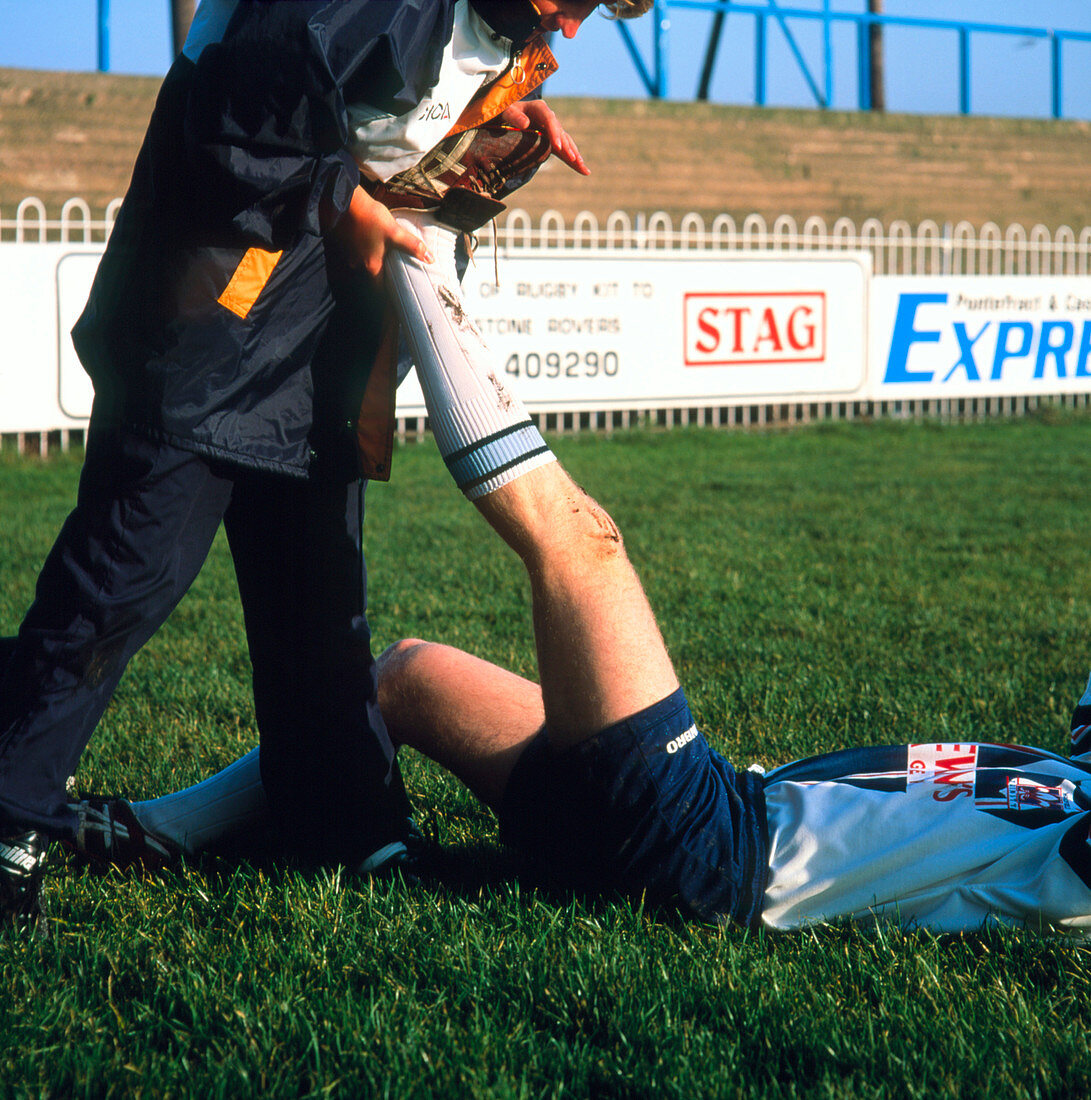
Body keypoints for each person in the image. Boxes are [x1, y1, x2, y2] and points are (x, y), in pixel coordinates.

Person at [44, 198, 1091, 938]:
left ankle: (415, 245)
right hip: (709, 806)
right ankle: (157, 832)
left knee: (575, 540)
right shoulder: (1072, 770)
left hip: (715, 852)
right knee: (401, 676)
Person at [0, 0, 655, 931]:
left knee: (315, 607)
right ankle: (11, 815)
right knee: (116, 589)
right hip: (204, 330)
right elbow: (230, 114)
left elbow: (365, 117)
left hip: (308, 348)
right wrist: (340, 203)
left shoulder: (507, 29)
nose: (574, 27)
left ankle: (344, 826)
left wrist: (488, 124)